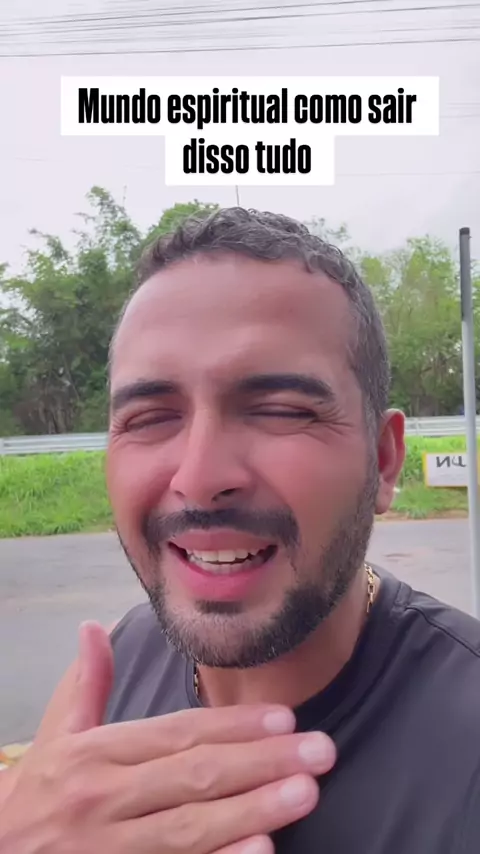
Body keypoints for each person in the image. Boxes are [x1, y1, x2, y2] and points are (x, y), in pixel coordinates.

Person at [1, 207, 480, 854]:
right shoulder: (114, 667)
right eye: (149, 418)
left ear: (384, 460)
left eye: (280, 410)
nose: (199, 478)